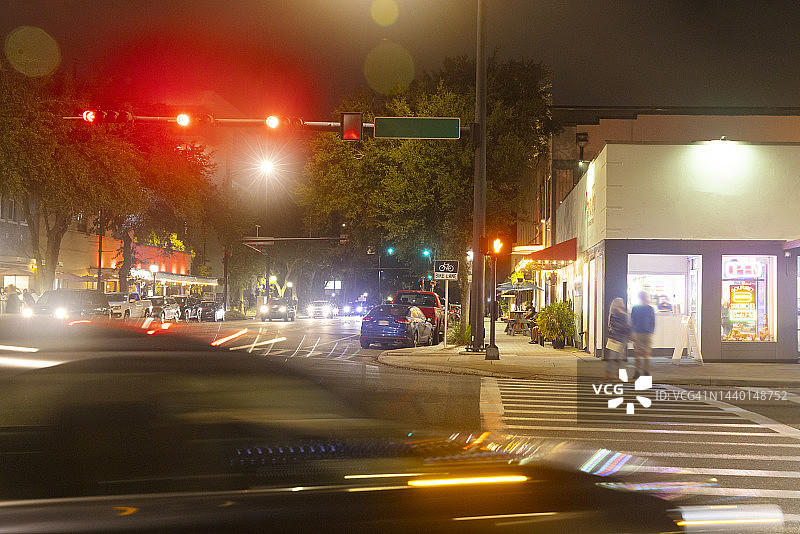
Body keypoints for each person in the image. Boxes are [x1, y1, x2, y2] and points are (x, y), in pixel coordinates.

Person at [630, 291, 655, 378]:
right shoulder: (650, 308)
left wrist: (631, 333)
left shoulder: (635, 308)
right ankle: (646, 371)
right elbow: (653, 321)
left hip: (638, 333)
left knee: (637, 353)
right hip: (647, 333)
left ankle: (637, 371)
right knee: (646, 353)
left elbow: (632, 321)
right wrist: (651, 331)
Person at [606, 297, 630, 379]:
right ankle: (611, 372)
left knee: (616, 356)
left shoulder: (615, 314)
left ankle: (614, 372)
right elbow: (614, 326)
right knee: (616, 356)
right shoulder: (617, 315)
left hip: (620, 336)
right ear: (618, 304)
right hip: (617, 336)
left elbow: (612, 326)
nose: (623, 303)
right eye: (621, 302)